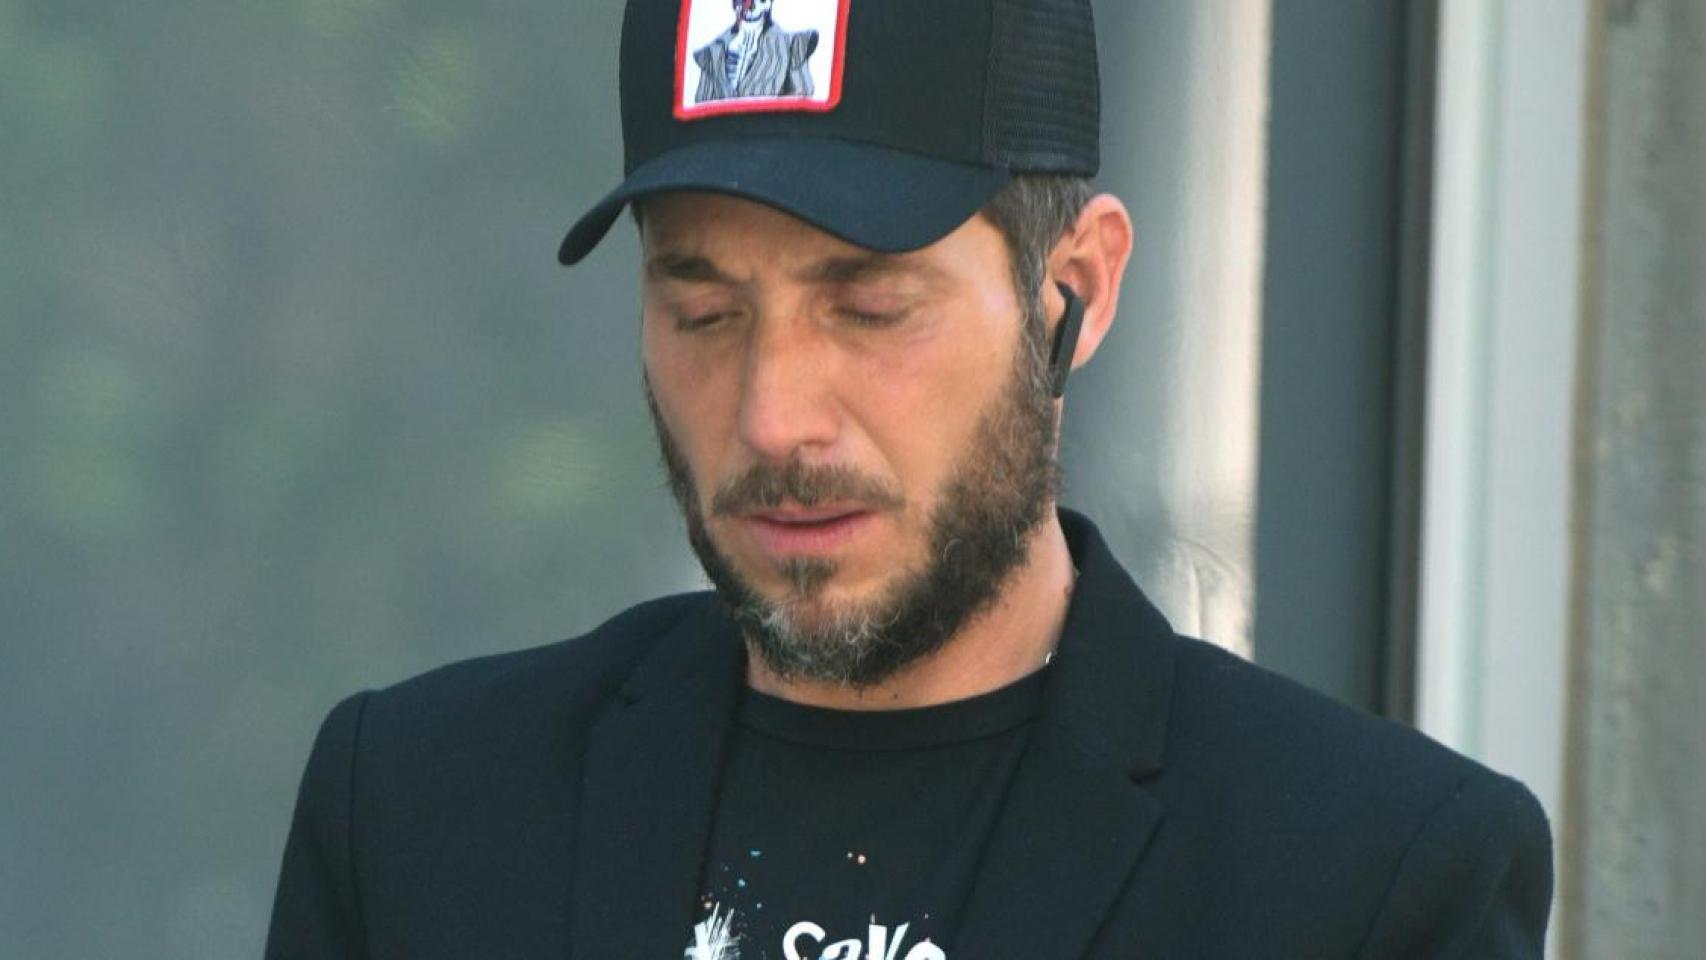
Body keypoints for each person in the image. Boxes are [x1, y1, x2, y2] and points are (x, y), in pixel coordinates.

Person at [266, 1, 1553, 957]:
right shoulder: (421, 814)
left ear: (1073, 290)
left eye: (870, 307)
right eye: (704, 312)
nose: (773, 419)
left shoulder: (1364, 880)